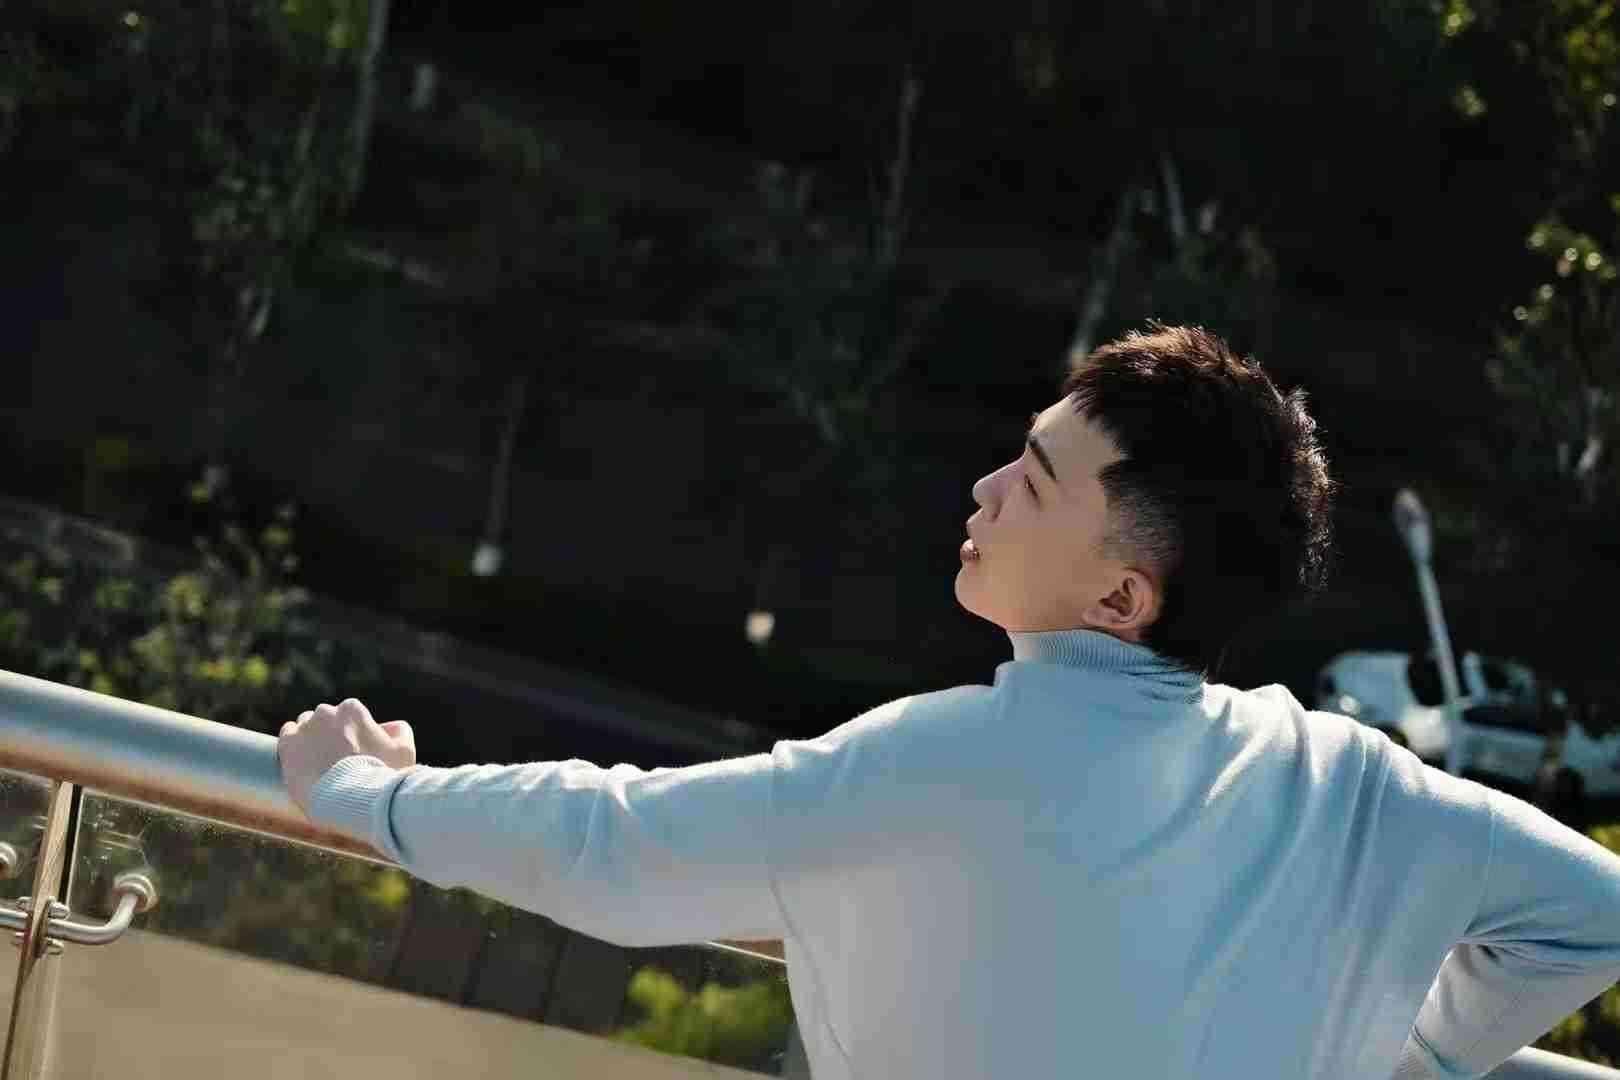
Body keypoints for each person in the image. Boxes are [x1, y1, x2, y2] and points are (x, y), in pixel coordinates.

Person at [278, 324, 1620, 1079]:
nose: (982, 491)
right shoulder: (1352, 786)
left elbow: (614, 846)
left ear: (1123, 597)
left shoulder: (949, 763)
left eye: (1032, 482)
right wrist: (1415, 1066)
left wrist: (368, 792)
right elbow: (1592, 918)